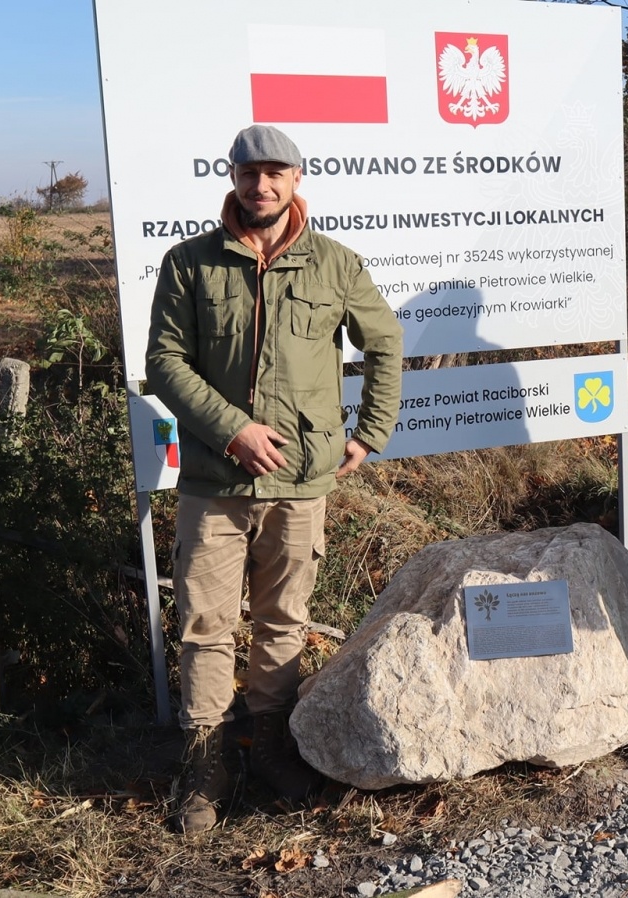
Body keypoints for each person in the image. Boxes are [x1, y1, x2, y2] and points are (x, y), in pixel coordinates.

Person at [145, 124, 403, 833]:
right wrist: (233, 429)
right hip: (212, 480)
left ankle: (274, 745)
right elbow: (165, 362)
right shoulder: (190, 262)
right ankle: (204, 760)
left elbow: (383, 344)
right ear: (231, 178)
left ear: (295, 179)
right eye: (248, 173)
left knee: (284, 617)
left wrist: (370, 432)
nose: (260, 186)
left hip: (299, 479)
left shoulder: (334, 264)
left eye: (274, 174)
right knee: (205, 623)